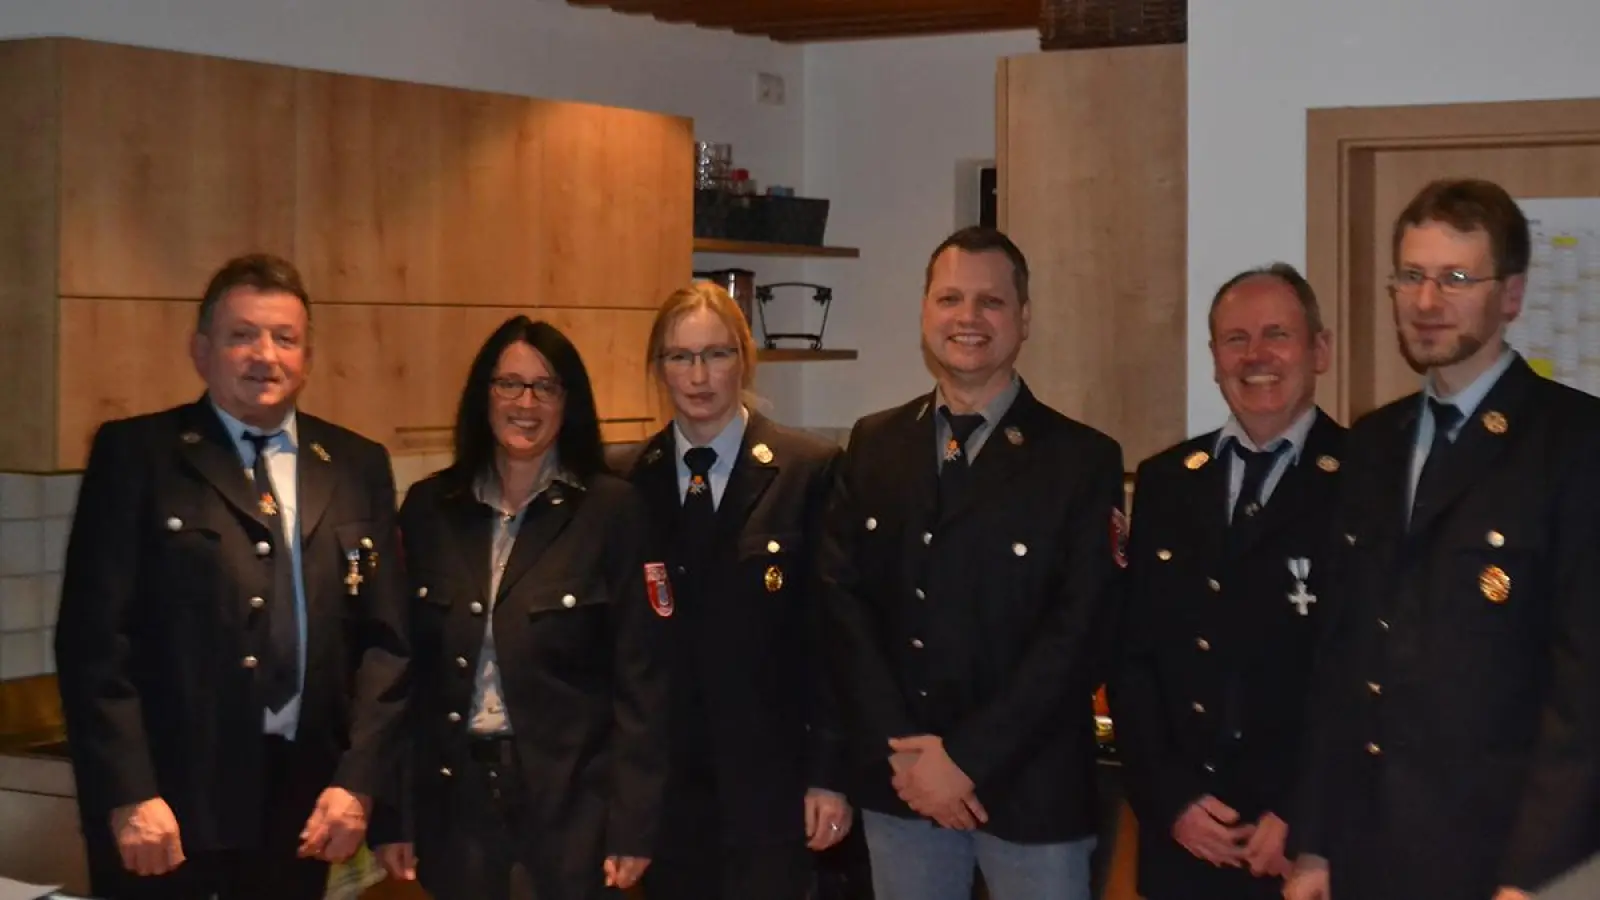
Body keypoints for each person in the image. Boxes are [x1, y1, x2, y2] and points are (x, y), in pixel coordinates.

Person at [54, 253, 410, 900]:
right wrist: (130, 791)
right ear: (201, 350)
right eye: (241, 335)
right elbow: (92, 643)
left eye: (285, 338)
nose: (264, 355)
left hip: (307, 803)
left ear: (307, 355)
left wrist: (357, 782)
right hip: (169, 806)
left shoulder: (357, 464)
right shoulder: (138, 455)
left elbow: (387, 645)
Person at [1284, 178, 1600, 900]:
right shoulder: (1371, 445)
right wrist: (1314, 843)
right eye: (1412, 277)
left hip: (1503, 859)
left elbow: (1586, 693)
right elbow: (1342, 657)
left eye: (1458, 279)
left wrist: (1533, 876)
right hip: (1367, 849)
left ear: (1511, 296)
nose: (1427, 303)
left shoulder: (1574, 445)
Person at [818, 225, 1125, 900]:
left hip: (1032, 793)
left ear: (1024, 320)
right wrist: (908, 754)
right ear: (925, 311)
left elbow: (1080, 635)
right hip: (901, 785)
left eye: (991, 302)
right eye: (950, 298)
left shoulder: (1081, 460)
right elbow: (842, 606)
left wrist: (963, 762)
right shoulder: (874, 445)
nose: (968, 318)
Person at [371, 316, 671, 900]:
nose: (525, 403)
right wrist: (393, 814)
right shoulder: (431, 508)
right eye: (509, 384)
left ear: (568, 403)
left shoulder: (613, 512)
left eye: (546, 387)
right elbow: (401, 675)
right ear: (484, 395)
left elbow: (645, 681)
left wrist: (634, 824)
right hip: (453, 803)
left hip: (571, 808)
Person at [1108, 263, 1344, 900]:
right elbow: (1132, 660)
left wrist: (1305, 811)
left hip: (1304, 845)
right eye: (1235, 339)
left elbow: (1363, 674)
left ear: (1319, 350)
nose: (1256, 356)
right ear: (1214, 359)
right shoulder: (1165, 481)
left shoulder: (1364, 482)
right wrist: (1171, 801)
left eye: (1278, 335)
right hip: (1186, 839)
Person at [621, 283, 852, 900]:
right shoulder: (622, 481)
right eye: (679, 357)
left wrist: (828, 775)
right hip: (666, 793)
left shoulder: (808, 470)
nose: (699, 376)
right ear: (658, 368)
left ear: (744, 361)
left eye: (716, 355)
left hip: (772, 788)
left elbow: (831, 641)